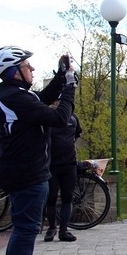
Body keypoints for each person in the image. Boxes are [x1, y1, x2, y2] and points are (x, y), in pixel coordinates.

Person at [0, 47, 77, 255]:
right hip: (26, 173)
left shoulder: (17, 95)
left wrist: (61, 76)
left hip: (27, 171)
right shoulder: (14, 97)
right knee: (26, 229)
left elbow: (45, 98)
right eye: (27, 65)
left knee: (26, 228)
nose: (32, 69)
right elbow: (60, 117)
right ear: (14, 71)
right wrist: (70, 88)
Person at [44, 102, 83, 242]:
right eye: (55, 101)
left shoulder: (73, 118)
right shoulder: (49, 118)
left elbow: (77, 135)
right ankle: (51, 228)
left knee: (68, 197)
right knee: (51, 197)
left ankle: (64, 230)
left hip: (69, 164)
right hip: (52, 165)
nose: (58, 104)